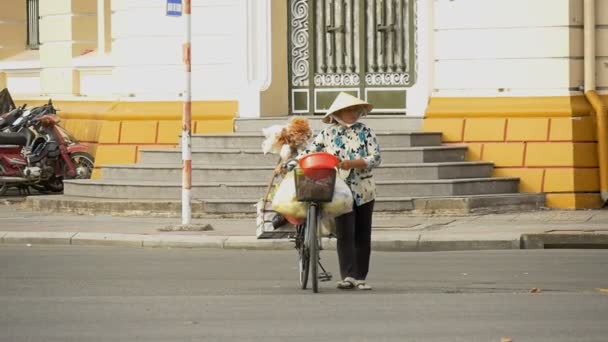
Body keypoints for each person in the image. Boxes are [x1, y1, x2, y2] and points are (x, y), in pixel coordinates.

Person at [300, 92, 382, 290]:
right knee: (345, 233)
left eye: (355, 110)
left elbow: (376, 158)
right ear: (338, 113)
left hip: (364, 190)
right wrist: (290, 162)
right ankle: (348, 276)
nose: (352, 114)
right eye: (348, 110)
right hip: (337, 190)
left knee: (362, 233)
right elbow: (309, 152)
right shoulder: (327, 134)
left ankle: (361, 277)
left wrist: (354, 163)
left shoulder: (366, 132)